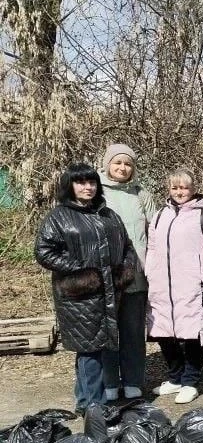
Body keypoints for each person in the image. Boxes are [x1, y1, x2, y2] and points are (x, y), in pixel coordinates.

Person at [35, 163, 138, 415]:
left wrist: (124, 271)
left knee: (95, 348)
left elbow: (127, 246)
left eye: (91, 182)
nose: (88, 187)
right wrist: (81, 270)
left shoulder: (108, 214)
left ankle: (86, 402)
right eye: (81, 182)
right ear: (69, 186)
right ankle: (96, 407)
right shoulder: (59, 217)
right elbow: (44, 251)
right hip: (78, 295)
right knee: (89, 350)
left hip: (109, 292)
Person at [147, 169, 203, 404]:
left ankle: (190, 381)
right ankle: (175, 377)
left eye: (184, 188)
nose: (179, 192)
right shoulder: (160, 215)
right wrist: (150, 272)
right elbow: (152, 247)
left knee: (192, 333)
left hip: (193, 285)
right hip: (162, 285)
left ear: (193, 189)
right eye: (175, 188)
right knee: (164, 332)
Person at [97, 144, 156, 401]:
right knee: (108, 330)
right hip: (106, 274)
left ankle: (133, 380)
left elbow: (156, 229)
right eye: (117, 162)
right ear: (107, 164)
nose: (122, 168)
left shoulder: (141, 194)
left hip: (137, 272)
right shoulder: (96, 191)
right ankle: (109, 381)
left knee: (133, 330)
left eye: (128, 164)